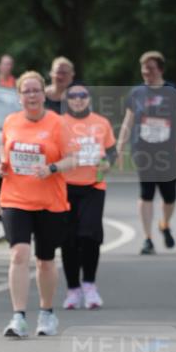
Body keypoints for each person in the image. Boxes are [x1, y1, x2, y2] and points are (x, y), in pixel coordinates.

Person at [0, 71, 76, 338]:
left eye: (36, 90)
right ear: (19, 97)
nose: (31, 95)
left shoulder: (58, 123)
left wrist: (52, 167)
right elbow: (3, 147)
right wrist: (2, 163)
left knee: (45, 261)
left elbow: (73, 159)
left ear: (44, 94)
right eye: (26, 91)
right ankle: (18, 316)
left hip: (50, 202)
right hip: (15, 199)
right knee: (18, 254)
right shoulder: (10, 122)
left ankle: (46, 313)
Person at [117, 51, 176, 255]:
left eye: (151, 68)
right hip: (143, 149)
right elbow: (128, 121)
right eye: (143, 68)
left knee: (169, 197)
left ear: (161, 69)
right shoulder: (136, 93)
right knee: (146, 193)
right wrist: (120, 145)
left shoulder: (173, 90)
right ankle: (147, 239)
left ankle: (164, 224)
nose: (146, 72)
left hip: (167, 151)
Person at [60, 82, 117, 309]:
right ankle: (73, 289)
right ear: (68, 99)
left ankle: (90, 285)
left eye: (82, 95)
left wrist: (107, 163)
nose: (78, 99)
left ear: (88, 99)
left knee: (90, 236)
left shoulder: (101, 123)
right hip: (64, 187)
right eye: (73, 96)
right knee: (69, 240)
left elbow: (111, 152)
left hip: (94, 186)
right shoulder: (59, 122)